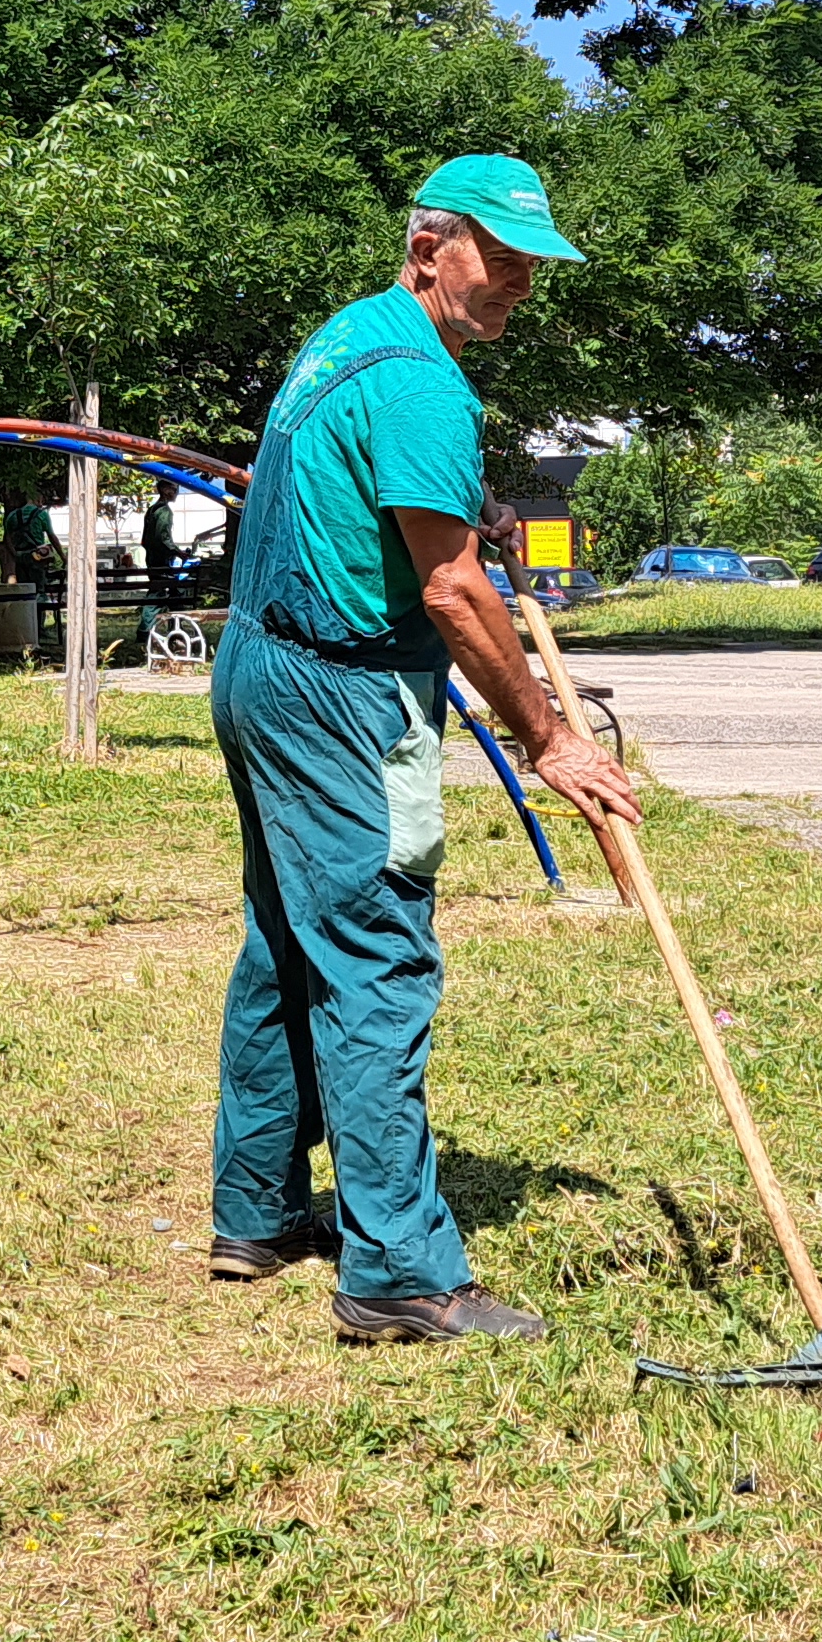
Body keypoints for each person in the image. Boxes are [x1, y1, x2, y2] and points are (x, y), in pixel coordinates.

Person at [209, 155, 643, 1345]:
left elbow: (390, 513)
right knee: (376, 958)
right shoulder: (424, 388)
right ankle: (397, 1270)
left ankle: (254, 1209)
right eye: (497, 260)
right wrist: (547, 737)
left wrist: (476, 512)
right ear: (427, 251)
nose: (515, 284)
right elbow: (449, 591)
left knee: (286, 942)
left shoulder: (346, 341)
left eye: (530, 266)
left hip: (259, 668)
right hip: (344, 697)